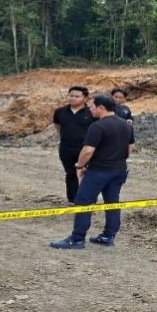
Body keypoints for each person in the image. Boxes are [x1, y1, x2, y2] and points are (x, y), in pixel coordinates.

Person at [50, 94, 134, 249]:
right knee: (112, 202)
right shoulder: (126, 125)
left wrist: (79, 166)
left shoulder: (97, 126)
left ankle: (77, 239)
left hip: (99, 171)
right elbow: (130, 148)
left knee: (84, 201)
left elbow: (88, 150)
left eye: (92, 107)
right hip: (119, 169)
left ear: (101, 107)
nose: (90, 109)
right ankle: (108, 235)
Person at [52, 86, 94, 203]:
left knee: (87, 173)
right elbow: (58, 126)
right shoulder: (60, 112)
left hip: (85, 148)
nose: (73, 98)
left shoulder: (91, 112)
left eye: (77, 96)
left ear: (85, 98)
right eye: (71, 96)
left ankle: (88, 199)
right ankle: (73, 199)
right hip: (66, 148)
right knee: (70, 173)